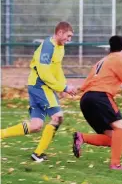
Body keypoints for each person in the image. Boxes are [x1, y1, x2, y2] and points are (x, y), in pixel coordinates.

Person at [1, 21, 77, 162]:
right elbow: (44, 73)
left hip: (40, 86)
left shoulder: (60, 47)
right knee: (58, 117)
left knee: (36, 125)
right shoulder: (48, 47)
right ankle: (38, 153)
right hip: (40, 86)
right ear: (60, 32)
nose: (69, 39)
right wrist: (63, 88)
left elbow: (57, 68)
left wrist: (63, 85)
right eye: (68, 36)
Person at [72, 35, 122, 170]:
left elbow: (86, 84)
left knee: (113, 138)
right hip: (101, 97)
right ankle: (115, 164)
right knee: (121, 128)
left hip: (86, 100)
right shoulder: (119, 60)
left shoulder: (101, 62)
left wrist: (71, 92)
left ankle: (81, 137)